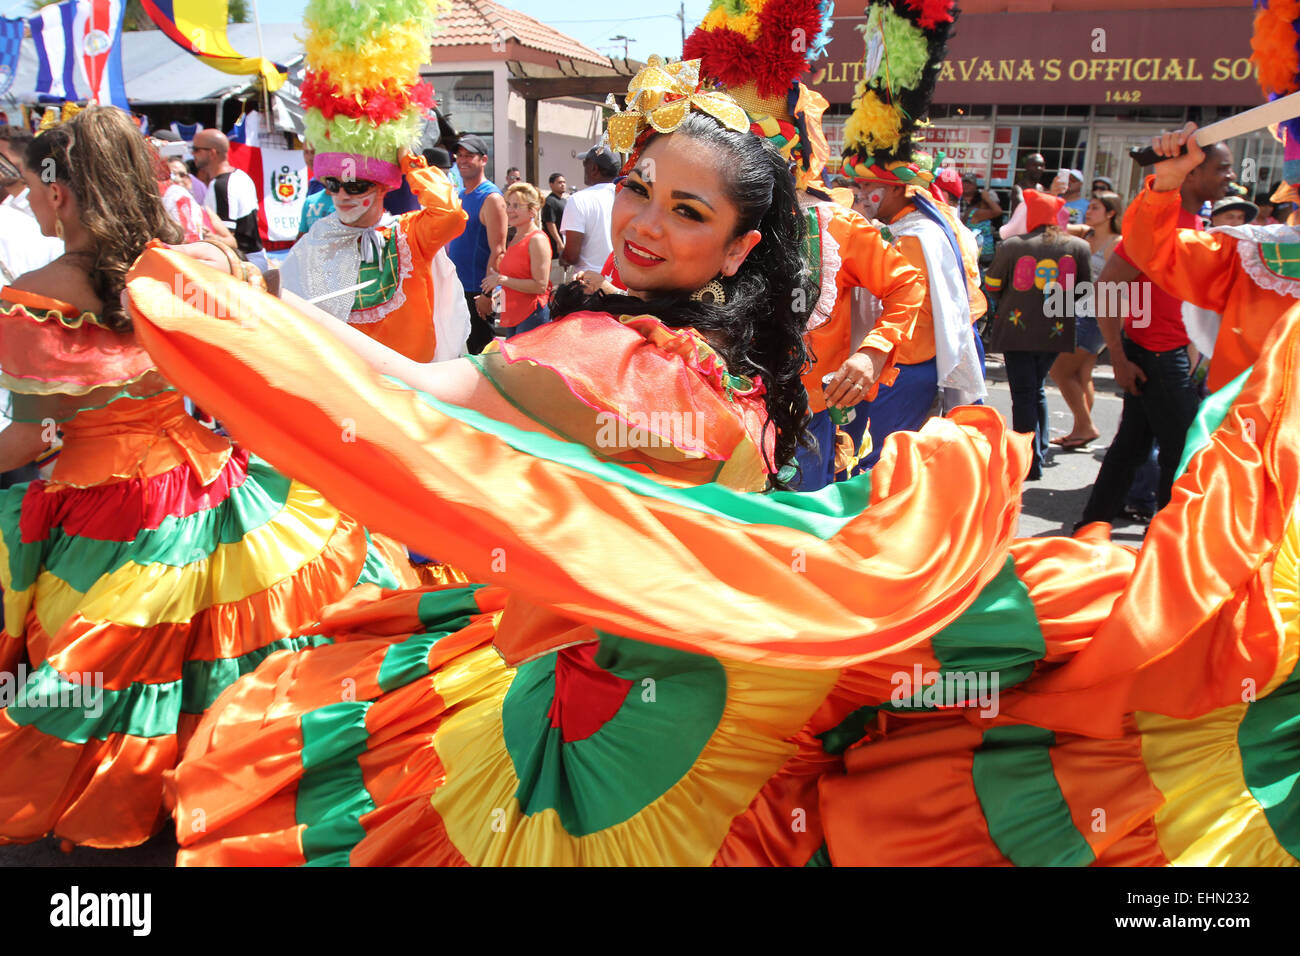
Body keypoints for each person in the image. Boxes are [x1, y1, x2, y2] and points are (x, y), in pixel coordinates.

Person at [133, 78, 830, 864]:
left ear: (739, 247)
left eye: (689, 211)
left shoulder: (633, 362)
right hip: (713, 695)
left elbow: (422, 396)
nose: (644, 223)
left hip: (617, 723)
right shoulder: (735, 364)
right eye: (640, 189)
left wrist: (250, 298)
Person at [0, 106, 416, 849]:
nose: (25, 197)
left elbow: (31, 437)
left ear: (61, 191)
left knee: (111, 675)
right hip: (211, 484)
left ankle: (134, 809)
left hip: (105, 513)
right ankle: (213, 794)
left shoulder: (33, 296)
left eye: (31, 183)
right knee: (220, 655)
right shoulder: (187, 264)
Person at [1077, 134, 1233, 527]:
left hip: (1166, 353)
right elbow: (1109, 286)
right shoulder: (1164, 218)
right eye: (1222, 169)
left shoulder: (1198, 219)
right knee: (1185, 457)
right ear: (1192, 172)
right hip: (1157, 357)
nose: (1230, 177)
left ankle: (1091, 527)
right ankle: (1168, 546)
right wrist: (1118, 354)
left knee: (1131, 448)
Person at [984, 190, 1092, 480]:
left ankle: (1027, 462)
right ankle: (1038, 451)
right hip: (1055, 332)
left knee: (1023, 394)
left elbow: (992, 283)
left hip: (1016, 331)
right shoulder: (1079, 247)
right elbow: (1084, 291)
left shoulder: (1011, 246)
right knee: (1037, 389)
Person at [1048, 189, 1123, 449]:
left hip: (1097, 316)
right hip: (1077, 311)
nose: (1088, 212)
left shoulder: (1116, 243)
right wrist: (1056, 192)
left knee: (1059, 370)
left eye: (1094, 208)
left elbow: (1119, 287)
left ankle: (1086, 426)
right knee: (1081, 373)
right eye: (1088, 207)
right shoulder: (1085, 234)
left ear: (1110, 213)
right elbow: (1055, 227)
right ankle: (1081, 428)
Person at [446, 134, 507, 354]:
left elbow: (499, 250)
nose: (462, 160)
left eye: (469, 156)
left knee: (483, 356)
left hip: (478, 294)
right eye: (459, 155)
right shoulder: (461, 194)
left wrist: (488, 295)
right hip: (458, 288)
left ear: (483, 160)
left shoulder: (491, 197)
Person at [192, 129, 267, 270]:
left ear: (212, 153)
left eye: (196, 150)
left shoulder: (221, 186)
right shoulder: (241, 176)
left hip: (244, 265)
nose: (192, 154)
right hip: (254, 260)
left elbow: (229, 241)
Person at [483, 182, 551, 337]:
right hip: (515, 315)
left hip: (532, 315)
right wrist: (496, 292)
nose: (509, 210)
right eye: (508, 205)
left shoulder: (537, 240)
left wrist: (501, 280)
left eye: (516, 206)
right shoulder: (516, 238)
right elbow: (516, 278)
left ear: (532, 210)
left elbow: (540, 285)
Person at [560, 145, 619, 275]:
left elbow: (571, 256)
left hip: (590, 284)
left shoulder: (579, 199)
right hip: (621, 283)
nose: (584, 169)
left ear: (594, 169)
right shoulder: (627, 197)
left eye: (585, 164)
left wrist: (562, 257)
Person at [959, 172, 1002, 269]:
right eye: (964, 183)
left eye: (969, 183)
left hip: (976, 251)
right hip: (981, 253)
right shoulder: (977, 213)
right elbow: (998, 211)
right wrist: (987, 198)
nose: (966, 186)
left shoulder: (973, 211)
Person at [541, 172, 567, 285]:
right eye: (559, 182)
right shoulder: (550, 202)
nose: (563, 185)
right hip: (555, 251)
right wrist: (559, 242)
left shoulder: (565, 201)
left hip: (566, 250)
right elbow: (550, 223)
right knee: (556, 283)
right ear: (551, 184)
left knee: (566, 281)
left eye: (564, 182)